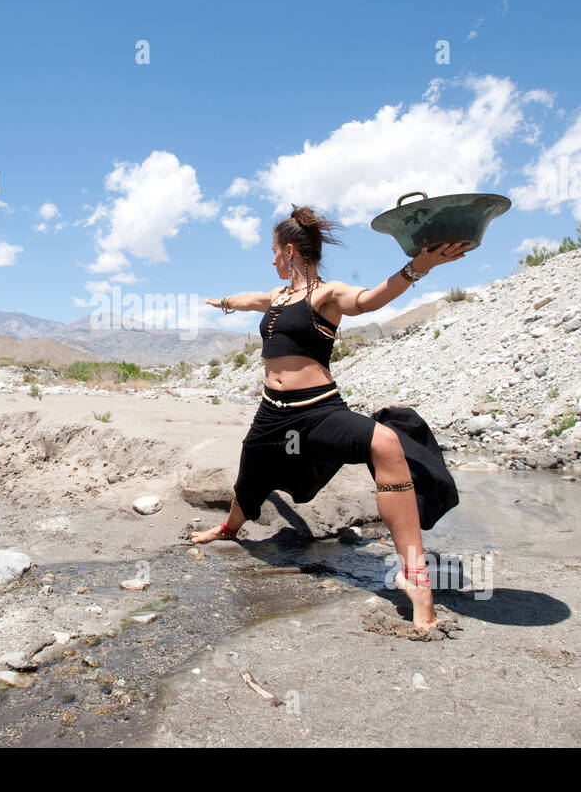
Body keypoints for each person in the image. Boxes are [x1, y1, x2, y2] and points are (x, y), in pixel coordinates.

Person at [194, 205, 470, 634]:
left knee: (386, 443)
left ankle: (415, 578)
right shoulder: (278, 296)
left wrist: (418, 267)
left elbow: (367, 300)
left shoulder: (326, 295)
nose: (271, 261)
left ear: (289, 251)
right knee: (251, 472)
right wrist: (225, 302)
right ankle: (230, 528)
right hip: (272, 412)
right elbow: (251, 300)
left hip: (319, 409)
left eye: (273, 252)